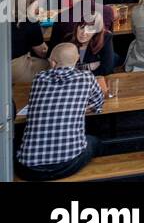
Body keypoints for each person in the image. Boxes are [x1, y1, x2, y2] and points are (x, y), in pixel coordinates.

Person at [14, 42, 107, 181]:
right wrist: (81, 105)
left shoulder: (38, 79)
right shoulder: (86, 77)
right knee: (95, 141)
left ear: (52, 63)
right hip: (68, 164)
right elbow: (98, 102)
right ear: (76, 59)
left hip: (28, 169)